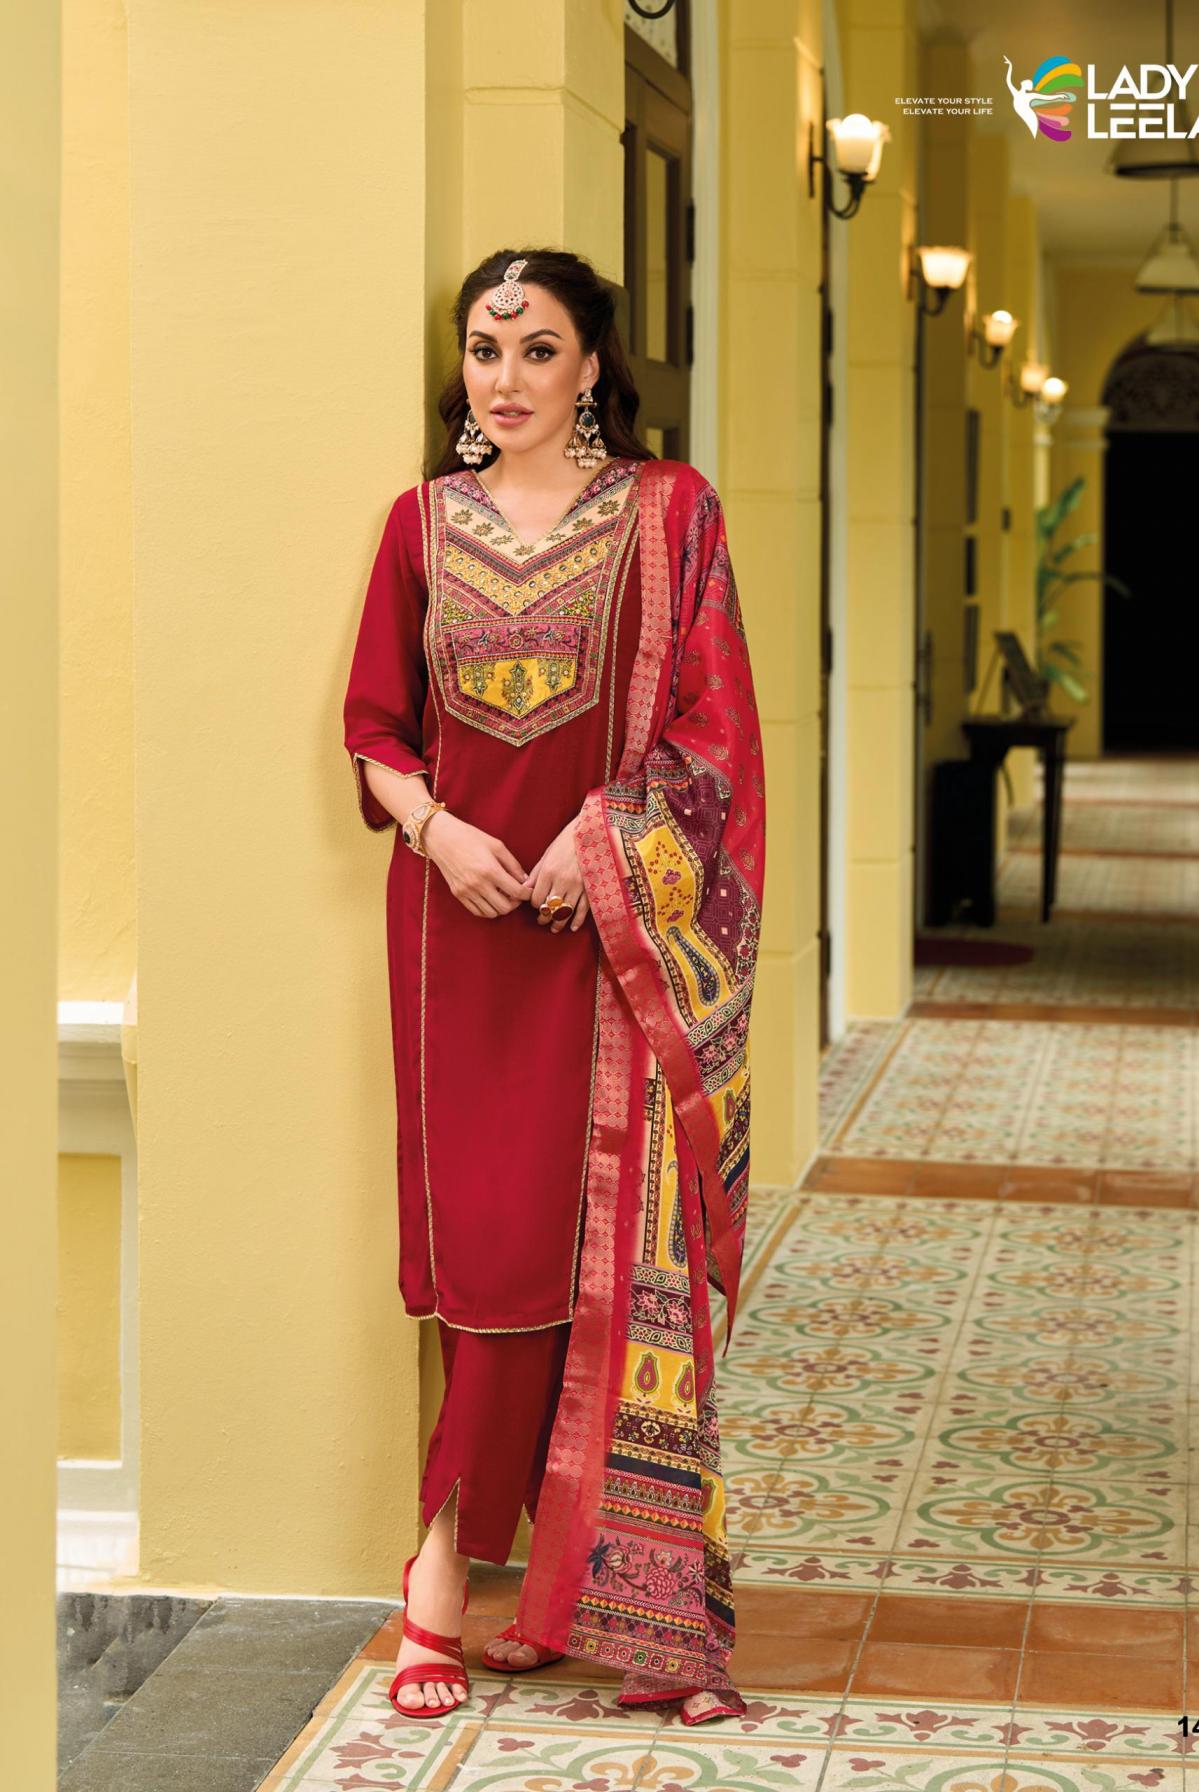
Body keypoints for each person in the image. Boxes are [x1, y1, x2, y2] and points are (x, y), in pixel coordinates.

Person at [341, 248, 765, 1727]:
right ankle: (440, 1586)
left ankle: (635, 1613)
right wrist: (439, 833)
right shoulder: (421, 524)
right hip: (460, 944)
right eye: (483, 348)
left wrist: (602, 845)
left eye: (536, 349)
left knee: (624, 1266)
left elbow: (715, 732)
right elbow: (373, 730)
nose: (505, 377)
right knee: (494, 1272)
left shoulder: (671, 513)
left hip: (613, 948)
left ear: (592, 366)